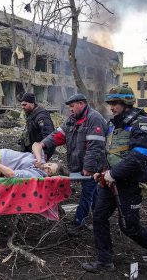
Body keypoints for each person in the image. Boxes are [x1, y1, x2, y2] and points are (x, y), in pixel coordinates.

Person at [82, 86, 147, 273]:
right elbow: (109, 152)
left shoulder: (142, 124)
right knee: (99, 217)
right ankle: (105, 261)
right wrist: (101, 171)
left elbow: (139, 155)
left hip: (129, 183)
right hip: (110, 181)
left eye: (115, 103)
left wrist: (113, 174)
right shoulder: (114, 124)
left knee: (129, 227)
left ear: (126, 103)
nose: (111, 107)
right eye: (110, 103)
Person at [32, 93, 108, 232]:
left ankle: (78, 223)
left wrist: (89, 168)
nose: (70, 110)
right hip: (79, 164)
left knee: (87, 193)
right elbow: (58, 135)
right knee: (93, 192)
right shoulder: (72, 120)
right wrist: (43, 144)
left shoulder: (94, 118)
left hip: (93, 165)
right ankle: (100, 217)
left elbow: (95, 147)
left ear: (81, 104)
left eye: (72, 106)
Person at [19, 93, 55, 161]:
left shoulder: (42, 116)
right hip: (32, 150)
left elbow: (48, 136)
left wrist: (44, 154)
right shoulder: (31, 113)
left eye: (25, 105)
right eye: (22, 105)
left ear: (32, 103)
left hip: (40, 152)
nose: (22, 107)